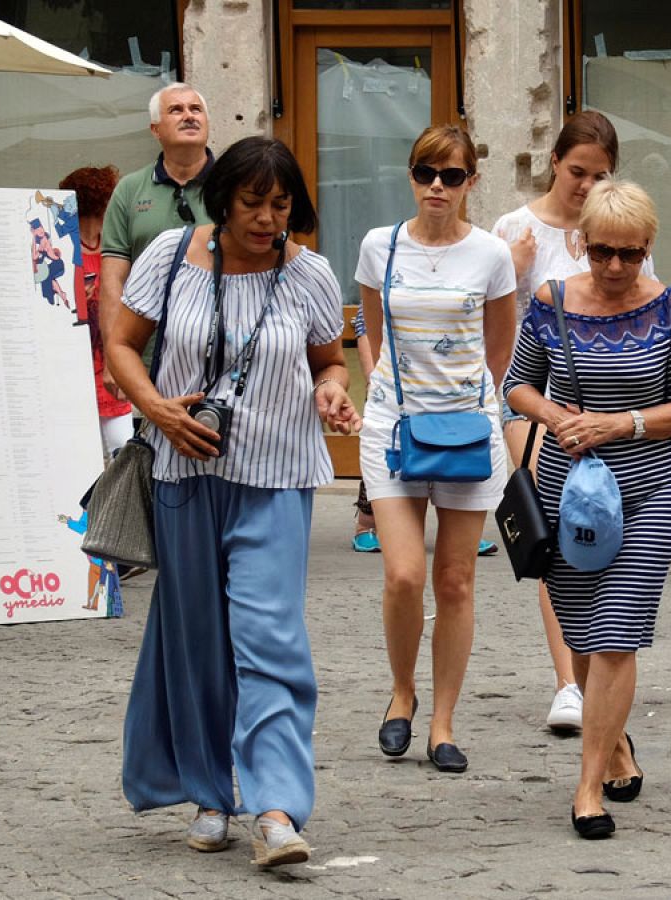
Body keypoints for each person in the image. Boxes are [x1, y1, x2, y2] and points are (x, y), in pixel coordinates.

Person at [108, 136, 361, 868]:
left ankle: (276, 808)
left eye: (280, 204)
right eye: (253, 202)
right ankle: (212, 791)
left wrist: (333, 389)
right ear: (223, 198)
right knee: (197, 641)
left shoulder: (309, 273)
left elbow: (329, 360)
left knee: (270, 635)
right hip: (184, 476)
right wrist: (157, 408)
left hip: (277, 476)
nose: (267, 218)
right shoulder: (168, 257)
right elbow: (121, 344)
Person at [503, 180, 671, 839]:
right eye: (602, 253)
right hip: (567, 489)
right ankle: (614, 744)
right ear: (581, 244)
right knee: (584, 630)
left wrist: (621, 424)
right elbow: (518, 387)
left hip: (648, 488)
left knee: (617, 630)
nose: (615, 268)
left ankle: (588, 786)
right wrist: (560, 417)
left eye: (631, 254)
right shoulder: (551, 300)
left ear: (649, 248)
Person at [356, 125, 516, 774]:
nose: (437, 187)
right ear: (411, 175)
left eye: (452, 176)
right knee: (403, 573)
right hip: (393, 427)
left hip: (468, 432)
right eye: (426, 173)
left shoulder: (491, 254)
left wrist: (472, 403)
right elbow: (370, 328)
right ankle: (402, 693)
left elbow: (500, 346)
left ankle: (443, 723)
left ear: (471, 181)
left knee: (455, 579)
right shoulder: (379, 247)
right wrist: (385, 395)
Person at [491, 111, 656, 733]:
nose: (586, 184)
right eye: (577, 171)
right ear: (555, 162)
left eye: (600, 174)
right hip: (533, 404)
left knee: (600, 532)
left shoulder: (620, 228)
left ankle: (595, 658)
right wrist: (510, 262)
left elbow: (650, 302)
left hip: (611, 414)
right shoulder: (517, 227)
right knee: (555, 526)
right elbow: (496, 327)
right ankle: (568, 681)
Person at [99, 82, 214, 399]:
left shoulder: (232, 187)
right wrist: (114, 356)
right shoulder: (129, 190)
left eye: (196, 109)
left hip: (218, 354)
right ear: (155, 129)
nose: (188, 116)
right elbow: (112, 280)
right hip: (146, 357)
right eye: (176, 110)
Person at [59, 165, 133, 456]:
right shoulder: (62, 250)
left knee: (123, 450)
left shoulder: (115, 249)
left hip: (109, 362)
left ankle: (117, 504)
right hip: (72, 367)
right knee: (79, 455)